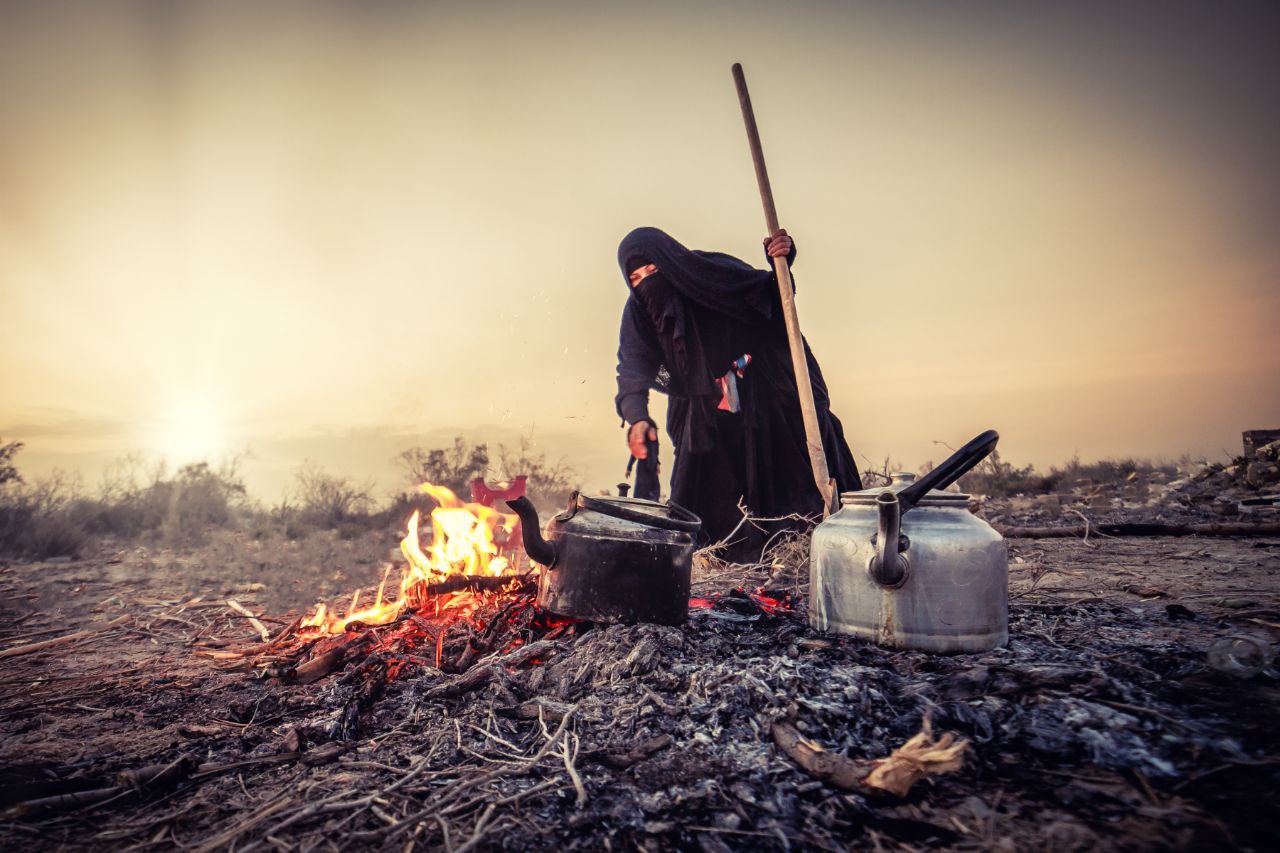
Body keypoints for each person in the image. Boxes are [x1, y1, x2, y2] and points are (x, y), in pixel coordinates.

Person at [614, 226, 861, 559]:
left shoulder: (708, 272)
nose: (646, 282)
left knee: (783, 485)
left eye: (653, 269)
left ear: (670, 261)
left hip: (763, 395)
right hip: (700, 409)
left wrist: (781, 261)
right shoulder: (638, 315)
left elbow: (772, 299)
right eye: (636, 278)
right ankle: (720, 565)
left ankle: (798, 558)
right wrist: (637, 417)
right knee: (701, 499)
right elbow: (633, 367)